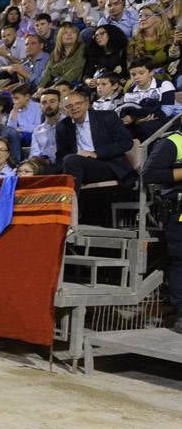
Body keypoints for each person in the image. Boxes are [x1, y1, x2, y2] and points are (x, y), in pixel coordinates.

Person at [139, 128, 182, 334]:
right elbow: (149, 174)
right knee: (181, 261)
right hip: (180, 212)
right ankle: (180, 314)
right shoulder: (172, 142)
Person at [56, 90, 135, 195]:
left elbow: (126, 142)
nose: (74, 107)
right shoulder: (62, 126)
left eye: (78, 103)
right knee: (45, 171)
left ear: (87, 104)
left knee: (71, 160)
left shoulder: (106, 117)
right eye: (69, 106)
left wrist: (96, 153)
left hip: (108, 165)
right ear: (64, 110)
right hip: (78, 167)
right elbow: (61, 154)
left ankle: (69, 206)